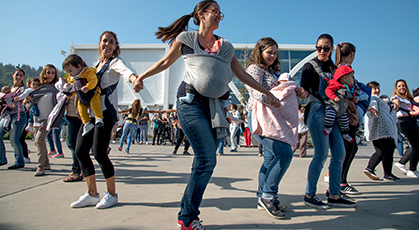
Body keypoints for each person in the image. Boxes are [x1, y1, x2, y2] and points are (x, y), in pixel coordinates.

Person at [132, 1, 280, 228]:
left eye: (221, 13)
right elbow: (164, 62)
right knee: (207, 159)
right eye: (215, 11)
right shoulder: (187, 40)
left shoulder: (226, 46)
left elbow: (242, 75)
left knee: (203, 162)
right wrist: (141, 77)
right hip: (190, 103)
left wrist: (267, 92)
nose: (220, 15)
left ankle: (186, 214)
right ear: (201, 14)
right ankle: (188, 218)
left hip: (215, 109)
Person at [69, 31, 139, 209]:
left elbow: (126, 72)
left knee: (99, 153)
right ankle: (92, 193)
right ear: (99, 43)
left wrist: (134, 79)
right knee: (80, 151)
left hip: (105, 114)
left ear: (116, 46)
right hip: (90, 115)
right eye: (105, 41)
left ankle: (112, 194)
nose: (107, 44)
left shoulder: (115, 62)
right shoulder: (95, 66)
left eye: (112, 42)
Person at [246, 37, 303, 219]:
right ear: (260, 52)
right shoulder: (254, 69)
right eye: (269, 52)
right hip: (258, 117)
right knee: (285, 153)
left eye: (275, 52)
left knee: (269, 160)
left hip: (271, 118)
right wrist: (269, 98)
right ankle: (268, 195)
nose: (272, 55)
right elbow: (253, 90)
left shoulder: (271, 72)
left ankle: (262, 197)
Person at [300, 34, 356, 209]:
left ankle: (334, 194)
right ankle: (310, 194)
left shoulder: (335, 68)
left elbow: (343, 90)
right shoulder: (309, 66)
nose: (322, 51)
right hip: (317, 111)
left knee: (339, 153)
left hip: (335, 113)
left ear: (332, 49)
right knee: (321, 154)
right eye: (319, 48)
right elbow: (305, 89)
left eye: (326, 48)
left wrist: (350, 110)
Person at [334, 42, 363, 195]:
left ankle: (339, 180)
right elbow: (346, 94)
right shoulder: (344, 70)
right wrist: (353, 112)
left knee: (348, 148)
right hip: (346, 113)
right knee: (348, 148)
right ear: (352, 54)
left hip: (345, 112)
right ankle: (341, 182)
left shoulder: (338, 68)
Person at [363, 81, 401, 181]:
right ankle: (387, 174)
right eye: (375, 88)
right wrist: (373, 109)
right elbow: (373, 104)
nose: (377, 90)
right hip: (383, 129)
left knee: (380, 151)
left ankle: (370, 168)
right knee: (388, 151)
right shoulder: (373, 98)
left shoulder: (374, 98)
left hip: (376, 130)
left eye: (378, 88)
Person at [25, 65, 59, 175]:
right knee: (38, 141)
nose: (50, 75)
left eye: (53, 73)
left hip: (48, 118)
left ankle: (40, 167)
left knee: (39, 140)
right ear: (44, 73)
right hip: (36, 118)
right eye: (48, 72)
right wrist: (27, 101)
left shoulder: (56, 88)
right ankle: (46, 164)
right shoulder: (38, 88)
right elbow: (29, 104)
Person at [62, 54, 104, 136]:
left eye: (70, 71)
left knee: (95, 103)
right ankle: (87, 123)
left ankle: (98, 118)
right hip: (82, 97)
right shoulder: (74, 78)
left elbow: (93, 80)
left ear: (78, 66)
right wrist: (71, 93)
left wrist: (88, 87)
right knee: (80, 109)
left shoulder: (88, 72)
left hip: (92, 93)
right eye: (68, 72)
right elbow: (75, 88)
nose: (69, 74)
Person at [0, 68, 28, 169]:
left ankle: (19, 161)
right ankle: (1, 159)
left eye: (21, 75)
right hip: (7, 115)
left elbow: (27, 95)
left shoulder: (23, 89)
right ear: (13, 75)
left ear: (23, 77)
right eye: (17, 75)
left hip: (18, 116)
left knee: (13, 139)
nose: (18, 77)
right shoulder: (8, 89)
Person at [391, 79, 419, 178]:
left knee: (415, 145)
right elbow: (395, 102)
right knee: (416, 146)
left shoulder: (408, 98)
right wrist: (396, 105)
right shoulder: (396, 97)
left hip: (410, 121)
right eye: (399, 86)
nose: (401, 87)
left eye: (403, 86)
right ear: (396, 88)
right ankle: (411, 169)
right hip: (404, 122)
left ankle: (403, 163)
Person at [324, 65, 356, 143]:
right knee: (329, 115)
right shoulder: (335, 84)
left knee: (345, 122)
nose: (353, 80)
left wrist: (353, 99)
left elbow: (349, 96)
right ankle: (328, 127)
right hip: (333, 106)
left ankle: (345, 134)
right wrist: (334, 97)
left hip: (342, 109)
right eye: (351, 77)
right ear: (344, 78)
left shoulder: (347, 87)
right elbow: (328, 91)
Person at [63, 93, 83, 182]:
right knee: (73, 144)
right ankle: (80, 170)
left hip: (78, 117)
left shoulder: (82, 83)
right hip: (70, 116)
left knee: (73, 144)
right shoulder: (70, 84)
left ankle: (77, 171)